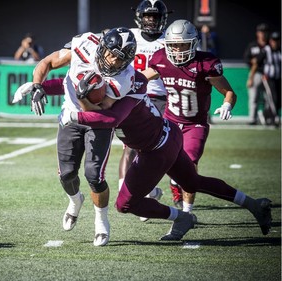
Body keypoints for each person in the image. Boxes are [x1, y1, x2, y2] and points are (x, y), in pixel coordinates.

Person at [58, 69, 272, 241]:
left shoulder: (125, 98)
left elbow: (110, 118)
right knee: (193, 182)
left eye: (108, 92)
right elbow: (97, 105)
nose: (106, 96)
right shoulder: (127, 83)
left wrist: (75, 115)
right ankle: (254, 205)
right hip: (169, 133)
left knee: (125, 205)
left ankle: (181, 218)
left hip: (156, 150)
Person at [13, 27, 137, 246]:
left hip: (97, 121)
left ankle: (101, 220)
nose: (111, 61)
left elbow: (102, 110)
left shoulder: (125, 78)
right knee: (66, 175)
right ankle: (75, 200)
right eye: (109, 53)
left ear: (126, 61)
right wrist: (37, 86)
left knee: (94, 175)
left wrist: (82, 99)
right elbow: (47, 63)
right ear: (101, 46)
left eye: (119, 59)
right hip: (69, 116)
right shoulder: (84, 44)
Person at [140, 19, 237, 218]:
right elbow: (140, 78)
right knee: (157, 159)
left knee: (190, 165)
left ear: (193, 44)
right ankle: (165, 187)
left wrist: (227, 104)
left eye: (182, 44)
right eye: (173, 45)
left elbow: (229, 92)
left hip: (195, 124)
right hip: (169, 121)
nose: (177, 49)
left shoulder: (205, 64)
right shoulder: (160, 58)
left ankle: (187, 212)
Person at [121, 0, 171, 222]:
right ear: (140, 17)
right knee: (130, 146)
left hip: (158, 98)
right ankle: (131, 192)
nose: (151, 21)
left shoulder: (170, 39)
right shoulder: (129, 35)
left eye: (155, 17)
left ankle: (147, 192)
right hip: (132, 96)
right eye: (147, 16)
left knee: (152, 150)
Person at [243, 23, 270, 125]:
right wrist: (252, 64)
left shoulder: (270, 45)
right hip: (256, 73)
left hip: (269, 75)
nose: (263, 34)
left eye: (264, 32)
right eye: (261, 32)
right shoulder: (252, 46)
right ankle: (252, 119)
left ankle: (268, 118)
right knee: (253, 97)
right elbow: (246, 59)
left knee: (269, 98)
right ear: (257, 33)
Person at [255, 31, 281, 126]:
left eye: (277, 40)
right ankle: (275, 118)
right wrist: (263, 73)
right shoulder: (266, 50)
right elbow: (257, 62)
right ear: (270, 41)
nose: (276, 42)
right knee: (272, 97)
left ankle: (265, 114)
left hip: (278, 78)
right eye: (274, 40)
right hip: (268, 78)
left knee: (279, 98)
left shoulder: (279, 50)